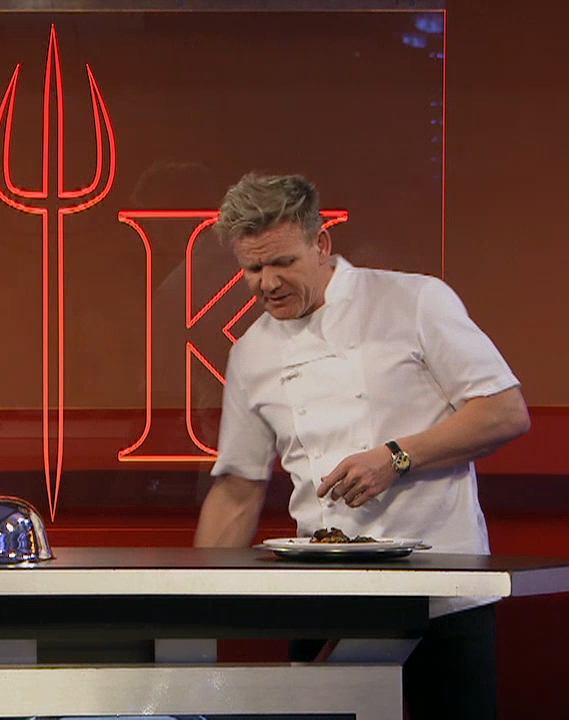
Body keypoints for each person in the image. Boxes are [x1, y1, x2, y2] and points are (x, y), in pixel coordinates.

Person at [192, 173, 530, 720]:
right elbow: (237, 490)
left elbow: (504, 412)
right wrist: (190, 602)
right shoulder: (251, 352)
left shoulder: (412, 301)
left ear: (321, 244)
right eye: (252, 269)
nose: (267, 283)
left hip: (442, 594)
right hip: (323, 598)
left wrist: (395, 458)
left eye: (282, 263)